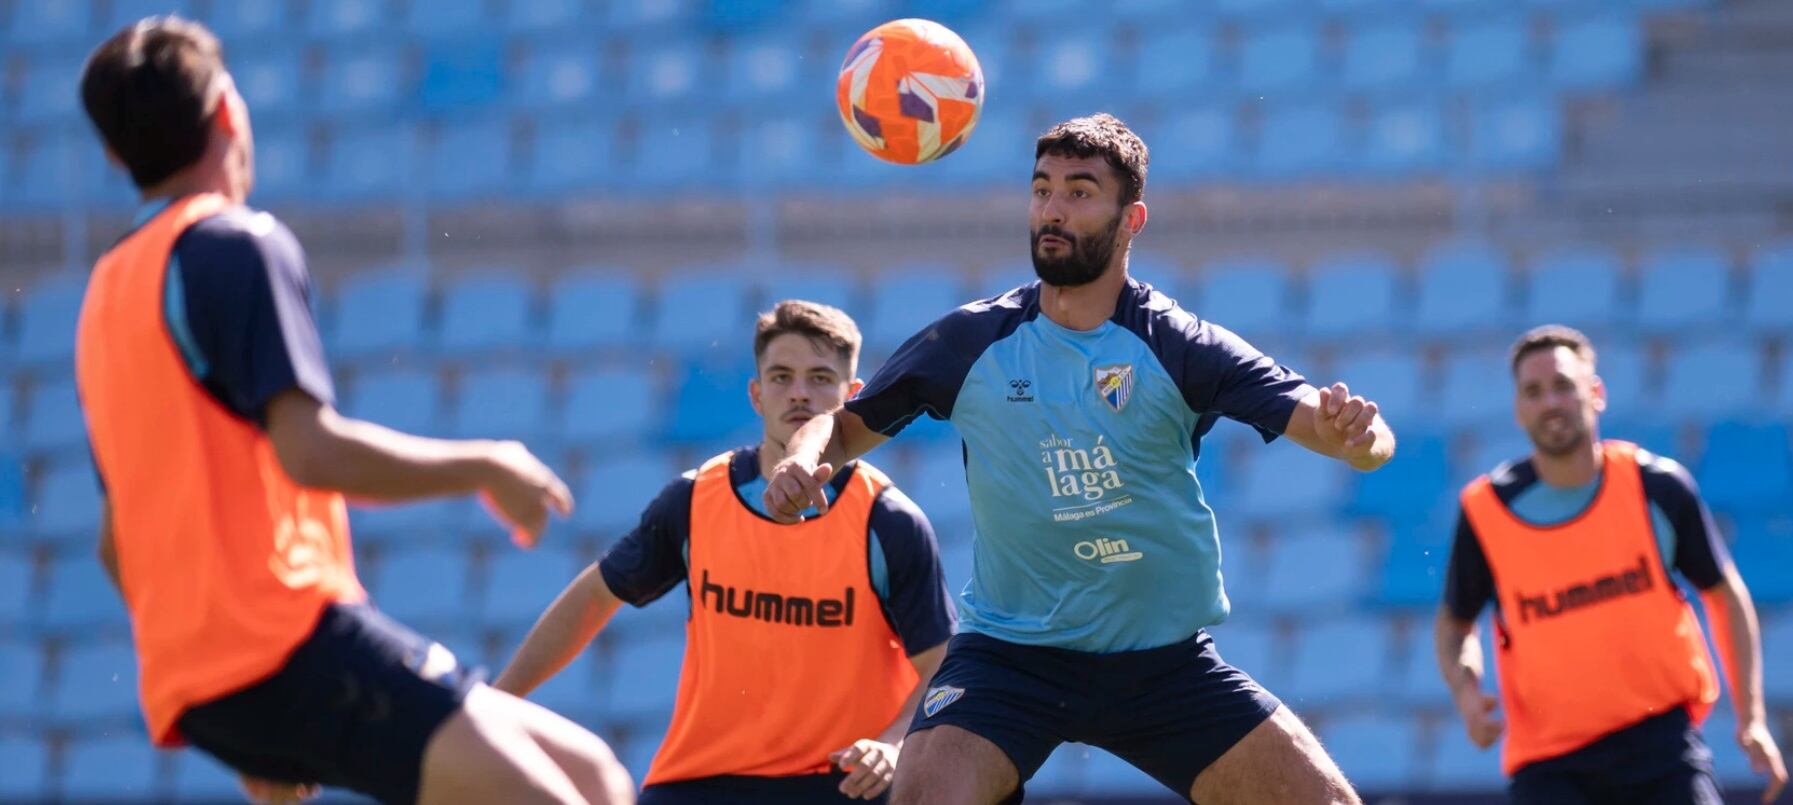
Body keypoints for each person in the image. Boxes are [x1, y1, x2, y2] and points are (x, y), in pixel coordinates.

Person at [75, 17, 633, 805]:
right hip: (282, 645)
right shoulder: (237, 244)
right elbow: (310, 451)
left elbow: (113, 542)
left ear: (113, 153)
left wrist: (240, 712)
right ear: (229, 112)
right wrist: (485, 462)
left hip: (206, 683)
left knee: (596, 778)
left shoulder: (105, 294)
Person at [763, 113, 1397, 805]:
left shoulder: (1178, 343)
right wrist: (799, 457)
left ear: (1131, 218)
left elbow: (1343, 434)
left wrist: (1355, 435)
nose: (1052, 210)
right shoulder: (971, 339)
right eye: (1041, 189)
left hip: (1161, 663)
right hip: (1010, 657)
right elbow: (840, 427)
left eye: (1079, 192)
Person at [495, 300, 956, 804]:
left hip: (840, 781)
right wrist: (493, 704)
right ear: (756, 395)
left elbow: (942, 666)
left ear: (853, 396)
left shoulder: (887, 521)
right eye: (781, 377)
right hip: (702, 781)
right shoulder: (695, 501)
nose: (799, 393)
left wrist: (892, 745)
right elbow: (592, 599)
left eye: (821, 378)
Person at [1435, 324, 1787, 804]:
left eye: (1563, 385)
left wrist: (1751, 719)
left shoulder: (1656, 488)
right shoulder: (1486, 510)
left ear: (1595, 393)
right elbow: (1455, 627)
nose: (1550, 402)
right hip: (1549, 767)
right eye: (1533, 392)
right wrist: (1467, 693)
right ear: (1519, 408)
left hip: (1660, 746)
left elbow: (1725, 596)